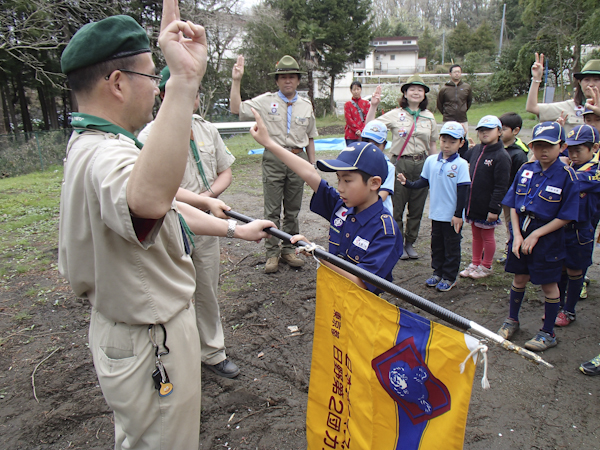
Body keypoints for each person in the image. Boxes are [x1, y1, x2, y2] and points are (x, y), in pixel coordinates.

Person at [58, 8, 273, 449]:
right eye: (153, 77)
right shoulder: (107, 157)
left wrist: (232, 229)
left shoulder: (95, 145)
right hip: (150, 340)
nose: (158, 89)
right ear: (118, 83)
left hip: (134, 330)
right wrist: (185, 81)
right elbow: (149, 202)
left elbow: (161, 207)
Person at [138, 66, 239, 378]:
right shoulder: (148, 136)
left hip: (207, 223)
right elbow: (158, 188)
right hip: (168, 225)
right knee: (171, 290)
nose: (188, 99)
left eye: (193, 94)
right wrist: (202, 200)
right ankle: (177, 355)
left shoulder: (207, 130)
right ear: (165, 97)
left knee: (207, 286)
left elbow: (226, 171)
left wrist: (208, 196)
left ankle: (212, 351)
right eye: (179, 93)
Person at [249, 108, 402, 294]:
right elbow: (309, 173)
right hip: (332, 296)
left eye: (347, 180)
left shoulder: (385, 231)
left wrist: (318, 254)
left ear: (374, 183)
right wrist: (269, 143)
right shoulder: (341, 206)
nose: (340, 188)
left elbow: (361, 283)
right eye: (338, 179)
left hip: (361, 310)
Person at [230, 55, 317, 273]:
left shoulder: (306, 105)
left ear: (298, 80)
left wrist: (312, 166)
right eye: (283, 77)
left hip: (298, 159)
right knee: (271, 210)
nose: (287, 81)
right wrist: (236, 80)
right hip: (274, 159)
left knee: (293, 210)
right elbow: (235, 108)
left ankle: (288, 249)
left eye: (292, 77)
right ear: (277, 81)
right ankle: (272, 254)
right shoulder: (265, 101)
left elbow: (311, 137)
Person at [497, 122, 579, 352]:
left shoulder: (567, 176)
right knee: (519, 279)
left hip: (548, 237)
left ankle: (548, 333)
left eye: (549, 146)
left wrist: (536, 235)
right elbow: (513, 204)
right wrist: (516, 236)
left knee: (549, 284)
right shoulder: (526, 169)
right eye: (538, 145)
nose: (543, 151)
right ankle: (512, 319)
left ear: (561, 146)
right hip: (522, 233)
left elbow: (567, 215)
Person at [365, 76, 438, 260]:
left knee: (417, 206)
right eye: (412, 89)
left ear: (424, 95)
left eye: (420, 90)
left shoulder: (429, 117)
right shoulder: (396, 114)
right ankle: (397, 242)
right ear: (405, 93)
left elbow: (432, 145)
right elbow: (370, 127)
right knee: (397, 205)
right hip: (400, 163)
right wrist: (373, 105)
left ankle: (410, 242)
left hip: (422, 163)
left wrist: (435, 167)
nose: (416, 92)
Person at [397, 122, 471, 292]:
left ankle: (449, 277)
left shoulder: (461, 165)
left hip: (453, 216)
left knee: (452, 246)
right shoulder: (431, 161)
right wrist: (408, 183)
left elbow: (463, 191)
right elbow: (424, 182)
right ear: (439, 140)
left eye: (452, 142)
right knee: (437, 244)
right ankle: (437, 272)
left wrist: (458, 214)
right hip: (436, 213)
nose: (447, 145)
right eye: (444, 141)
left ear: (461, 143)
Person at [555, 125, 600, 326]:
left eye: (578, 150)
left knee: (575, 270)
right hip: (561, 228)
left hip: (581, 230)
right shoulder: (571, 166)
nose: (572, 154)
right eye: (570, 149)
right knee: (561, 267)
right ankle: (557, 305)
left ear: (594, 148)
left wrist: (559, 166)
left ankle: (569, 310)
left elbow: (571, 182)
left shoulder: (595, 172)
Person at [459, 116, 511, 279]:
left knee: (487, 236)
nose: (484, 133)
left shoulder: (501, 156)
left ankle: (486, 265)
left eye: (489, 129)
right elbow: (463, 157)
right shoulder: (477, 150)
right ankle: (475, 263)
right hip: (474, 203)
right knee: (475, 235)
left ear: (499, 131)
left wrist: (494, 208)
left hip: (488, 205)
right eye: (481, 130)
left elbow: (501, 186)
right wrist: (463, 141)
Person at [526, 53, 600, 133]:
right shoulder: (569, 106)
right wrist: (536, 79)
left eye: (596, 80)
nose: (591, 84)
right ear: (579, 82)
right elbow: (532, 107)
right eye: (586, 80)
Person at [497, 112, 529, 263]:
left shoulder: (519, 153)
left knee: (512, 224)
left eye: (503, 129)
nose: (499, 132)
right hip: (501, 195)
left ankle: (510, 251)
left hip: (513, 197)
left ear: (515, 131)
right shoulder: (498, 147)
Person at [360, 119, 395, 215]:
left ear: (384, 145)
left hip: (380, 215)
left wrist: (361, 203)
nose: (371, 147)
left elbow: (383, 195)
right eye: (367, 142)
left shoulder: (388, 167)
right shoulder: (357, 163)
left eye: (376, 144)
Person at [436, 64, 473, 134]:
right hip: (448, 119)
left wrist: (463, 110)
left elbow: (469, 101)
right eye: (455, 72)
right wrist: (446, 113)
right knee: (448, 139)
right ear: (450, 74)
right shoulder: (444, 88)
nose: (457, 74)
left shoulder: (466, 87)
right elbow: (439, 103)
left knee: (463, 140)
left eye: (459, 72)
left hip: (462, 119)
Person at [344, 80, 371, 145]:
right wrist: (357, 130)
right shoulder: (347, 104)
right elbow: (348, 119)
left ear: (361, 90)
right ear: (351, 91)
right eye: (354, 90)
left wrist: (362, 130)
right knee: (351, 153)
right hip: (351, 135)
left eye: (358, 89)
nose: (356, 91)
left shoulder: (366, 103)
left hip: (364, 133)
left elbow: (368, 118)